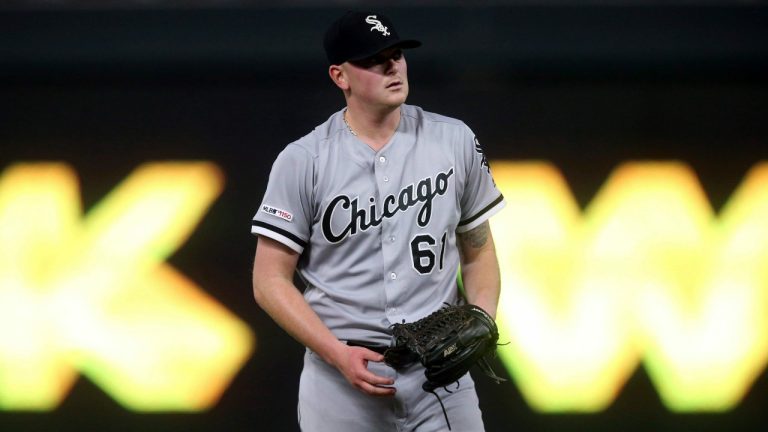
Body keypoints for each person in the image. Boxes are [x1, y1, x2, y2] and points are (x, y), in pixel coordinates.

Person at [251, 10, 505, 432]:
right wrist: (336, 353)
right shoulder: (304, 160)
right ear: (340, 76)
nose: (393, 66)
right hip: (338, 380)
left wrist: (481, 317)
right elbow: (269, 280)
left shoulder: (454, 140)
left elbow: (478, 249)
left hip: (438, 373)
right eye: (373, 59)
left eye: (397, 54)